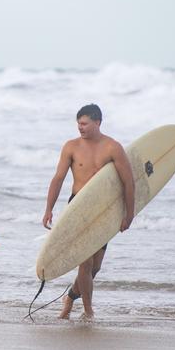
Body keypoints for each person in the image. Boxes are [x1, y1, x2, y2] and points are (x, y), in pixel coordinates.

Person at [42, 104, 135, 320]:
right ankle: (88, 311)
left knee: (95, 269)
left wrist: (129, 214)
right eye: (78, 124)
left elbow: (128, 182)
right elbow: (58, 179)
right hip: (78, 208)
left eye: (84, 124)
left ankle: (70, 298)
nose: (80, 128)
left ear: (97, 122)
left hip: (103, 210)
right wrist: (49, 209)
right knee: (85, 262)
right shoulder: (71, 146)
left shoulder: (113, 147)